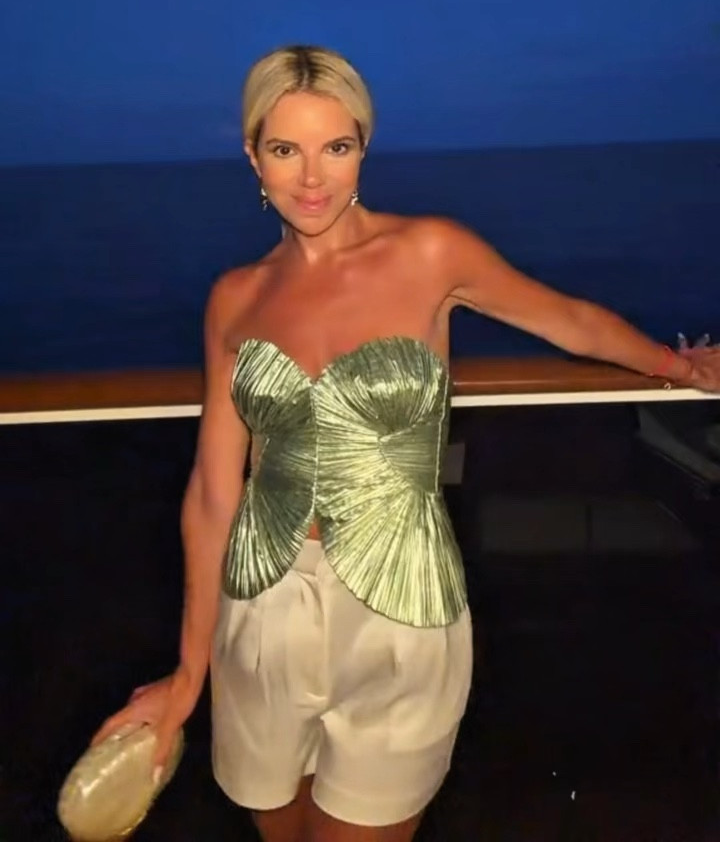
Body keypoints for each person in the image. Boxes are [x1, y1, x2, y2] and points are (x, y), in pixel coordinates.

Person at [92, 44, 720, 842]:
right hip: (260, 611)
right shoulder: (235, 296)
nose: (312, 177)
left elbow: (569, 320)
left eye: (336, 147)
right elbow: (216, 492)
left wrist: (680, 366)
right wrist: (189, 674)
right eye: (285, 149)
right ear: (253, 157)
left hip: (403, 611)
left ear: (364, 149)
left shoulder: (430, 252)